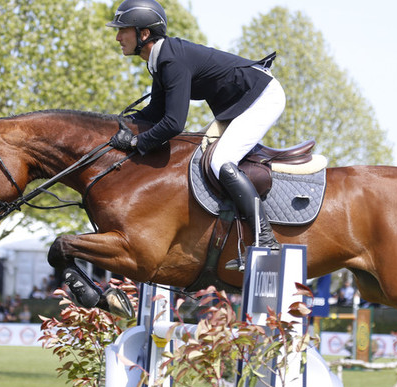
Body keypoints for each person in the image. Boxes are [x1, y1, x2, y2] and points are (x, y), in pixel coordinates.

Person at [106, 0, 286, 263]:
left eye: (123, 30)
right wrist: (117, 125)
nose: (118, 37)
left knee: (219, 161)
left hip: (263, 97)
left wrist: (135, 143)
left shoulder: (171, 60)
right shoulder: (159, 59)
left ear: (144, 34)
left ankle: (266, 240)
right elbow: (155, 113)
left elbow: (174, 124)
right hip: (241, 102)